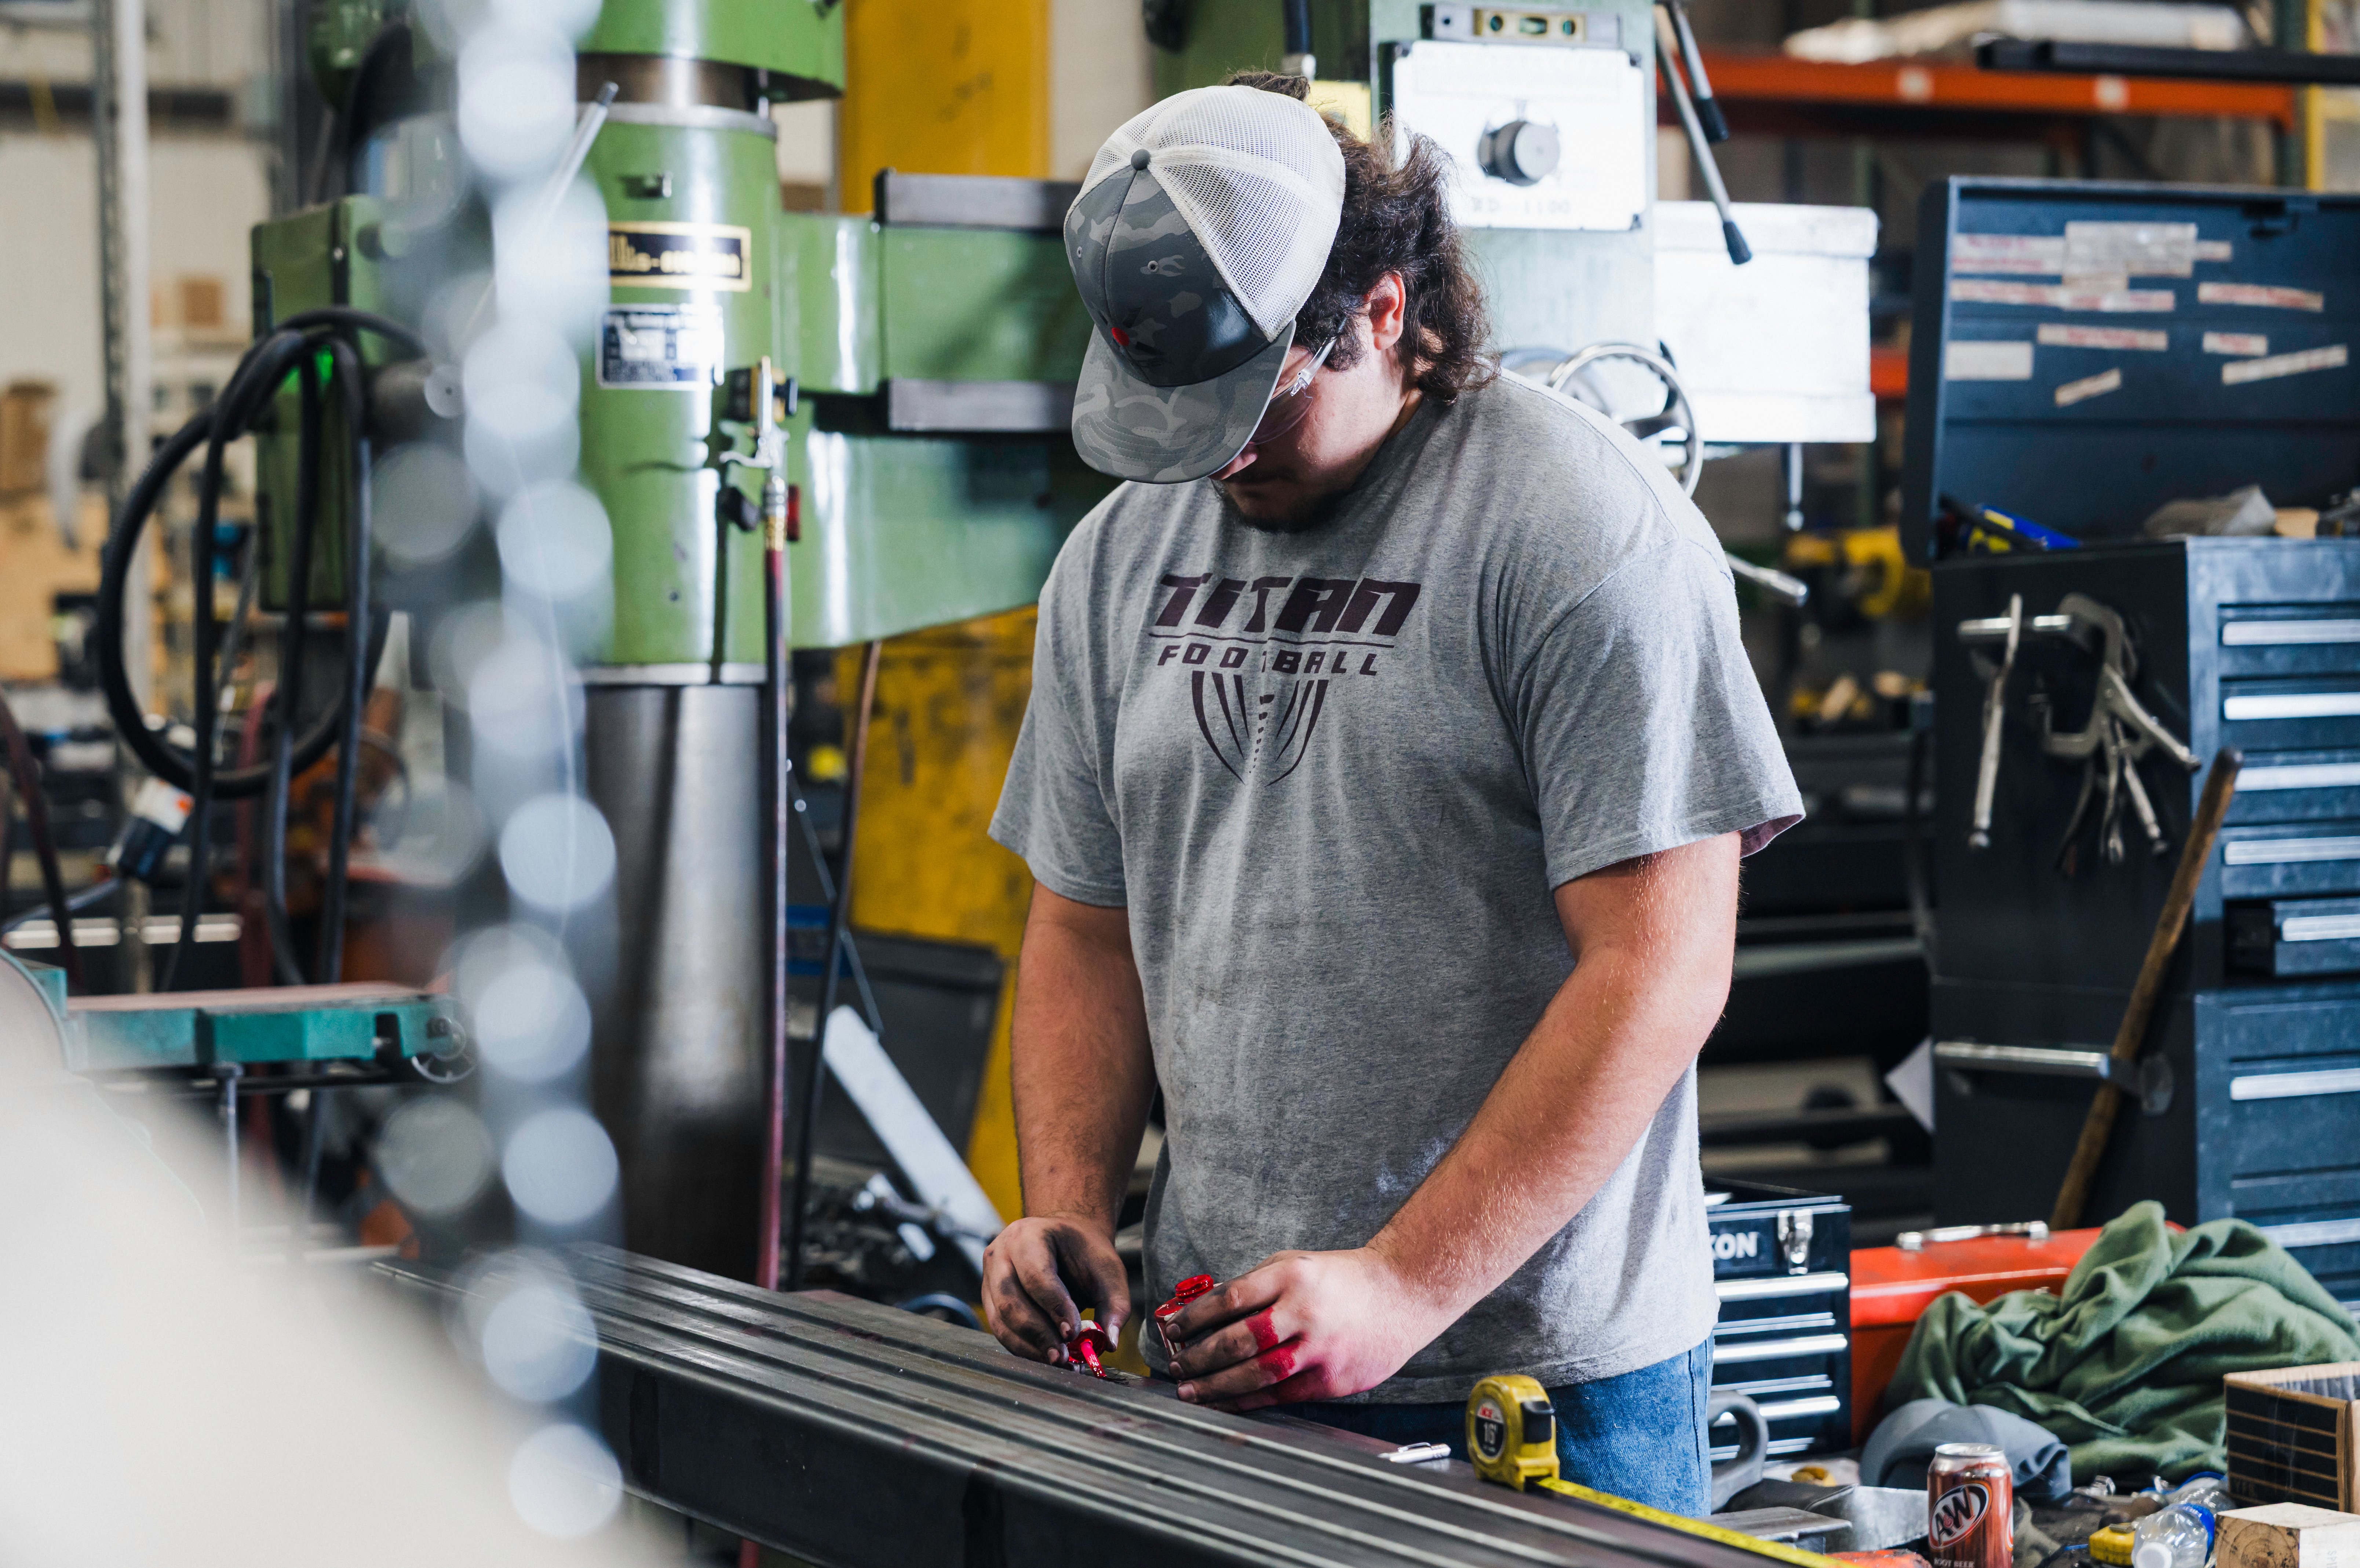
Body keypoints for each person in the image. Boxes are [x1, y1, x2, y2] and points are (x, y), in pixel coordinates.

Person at [980, 73, 1800, 1516]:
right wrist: (1065, 1207)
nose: (1218, 456)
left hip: (1537, 1390)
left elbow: (1661, 967)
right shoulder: (1119, 560)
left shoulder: (1578, 533)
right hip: (1220, 1358)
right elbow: (1084, 926)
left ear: (1376, 310)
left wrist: (1403, 1284)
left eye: (1254, 405)